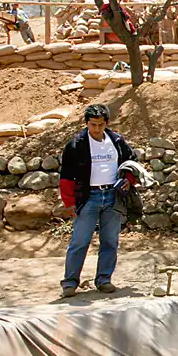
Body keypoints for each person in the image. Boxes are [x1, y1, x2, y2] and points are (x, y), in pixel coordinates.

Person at [58, 104, 137, 297]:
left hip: (112, 196)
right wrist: (69, 203)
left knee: (110, 240)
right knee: (80, 241)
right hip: (88, 198)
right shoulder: (76, 145)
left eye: (100, 125)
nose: (96, 129)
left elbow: (131, 163)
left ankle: (104, 279)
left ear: (107, 123)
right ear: (86, 123)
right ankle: (70, 283)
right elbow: (66, 176)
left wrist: (128, 180)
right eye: (93, 125)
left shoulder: (117, 141)